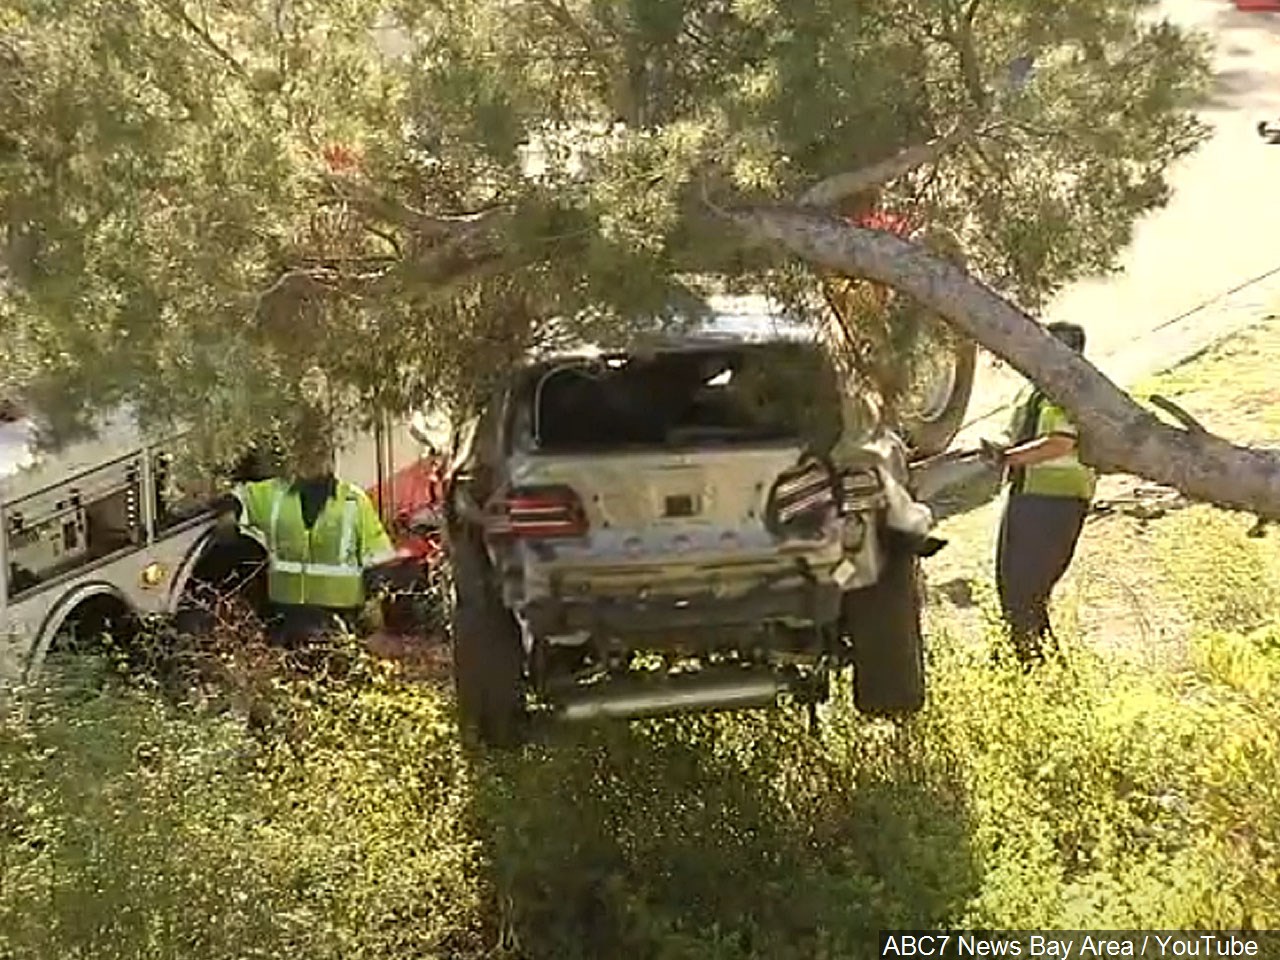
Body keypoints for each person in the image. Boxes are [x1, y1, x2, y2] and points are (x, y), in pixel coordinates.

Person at [216, 417, 407, 647]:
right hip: (287, 620)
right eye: (305, 455)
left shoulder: (354, 501)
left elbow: (379, 560)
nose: (313, 462)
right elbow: (238, 497)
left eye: (319, 454)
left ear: (330, 458)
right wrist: (228, 514)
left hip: (340, 622)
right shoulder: (274, 494)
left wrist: (375, 605)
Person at [983, 322, 1096, 664]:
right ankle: (1031, 668)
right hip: (1027, 495)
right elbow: (1016, 430)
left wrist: (1008, 458)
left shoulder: (1073, 389)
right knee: (1013, 589)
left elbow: (1059, 443)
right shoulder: (1035, 389)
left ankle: (1035, 670)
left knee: (1025, 593)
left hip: (1055, 503)